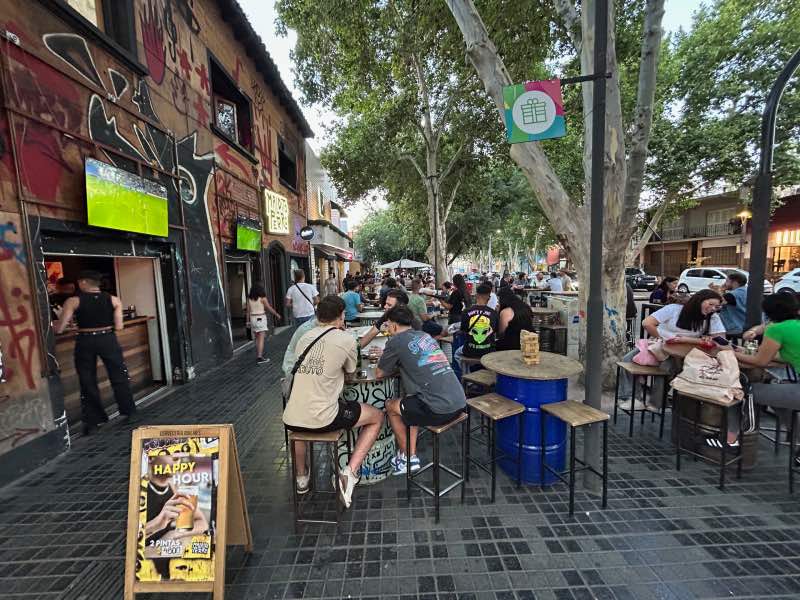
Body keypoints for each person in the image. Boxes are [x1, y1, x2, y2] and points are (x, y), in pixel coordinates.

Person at [282, 296, 384, 507]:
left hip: (290, 417)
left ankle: (302, 477)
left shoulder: (305, 336)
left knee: (300, 427)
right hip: (324, 417)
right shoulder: (345, 338)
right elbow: (350, 371)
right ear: (341, 316)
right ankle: (350, 474)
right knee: (376, 416)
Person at [377, 305, 466, 474]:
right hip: (459, 401)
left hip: (439, 409)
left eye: (388, 325)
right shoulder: (424, 336)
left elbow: (380, 372)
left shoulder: (395, 341)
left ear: (394, 325)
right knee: (411, 401)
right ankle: (409, 454)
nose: (387, 328)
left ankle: (407, 458)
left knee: (391, 406)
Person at [54, 270, 136, 434]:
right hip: (108, 339)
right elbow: (119, 326)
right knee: (119, 376)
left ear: (83, 282)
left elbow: (60, 328)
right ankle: (129, 412)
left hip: (85, 340)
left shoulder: (73, 301)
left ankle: (94, 421)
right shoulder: (113, 299)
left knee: (87, 380)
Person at [620, 289, 726, 412]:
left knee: (667, 368)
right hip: (659, 345)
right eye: (710, 304)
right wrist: (665, 339)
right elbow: (647, 323)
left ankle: (656, 403)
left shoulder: (713, 318)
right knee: (627, 361)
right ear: (699, 301)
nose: (713, 308)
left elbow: (720, 340)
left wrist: (692, 340)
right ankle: (633, 398)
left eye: (716, 306)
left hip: (683, 352)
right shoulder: (674, 309)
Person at [736, 293, 800, 454]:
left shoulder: (776, 329)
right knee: (775, 393)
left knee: (742, 392)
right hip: (795, 385)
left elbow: (760, 362)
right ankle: (796, 436)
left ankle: (733, 438)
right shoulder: (795, 325)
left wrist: (730, 352)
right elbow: (788, 356)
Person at [457, 283, 498, 360]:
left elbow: (463, 330)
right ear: (489, 298)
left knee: (456, 354)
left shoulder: (466, 312)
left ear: (476, 295)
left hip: (470, 351)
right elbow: (496, 331)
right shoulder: (493, 313)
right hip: (489, 352)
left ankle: (465, 371)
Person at [246, 282, 281, 364]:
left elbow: (247, 311)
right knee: (261, 339)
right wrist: (276, 314)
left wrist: (247, 322)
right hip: (260, 318)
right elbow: (269, 308)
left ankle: (258, 355)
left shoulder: (249, 299)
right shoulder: (262, 298)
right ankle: (259, 357)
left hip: (253, 319)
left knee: (257, 338)